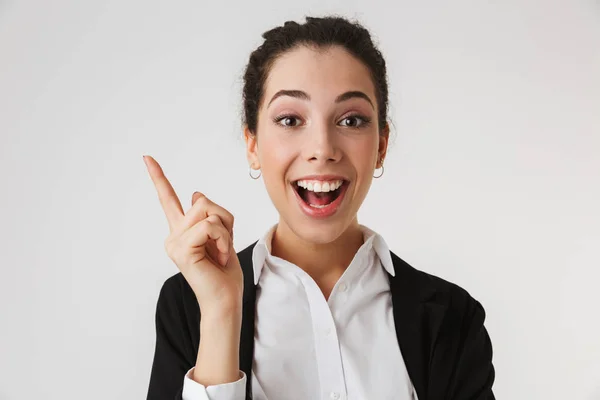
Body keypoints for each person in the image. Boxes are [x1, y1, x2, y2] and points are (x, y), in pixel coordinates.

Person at [144, 15, 495, 400]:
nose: (322, 149)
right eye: (291, 119)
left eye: (351, 119)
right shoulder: (189, 304)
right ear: (252, 144)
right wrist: (220, 314)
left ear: (380, 146)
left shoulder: (451, 317)